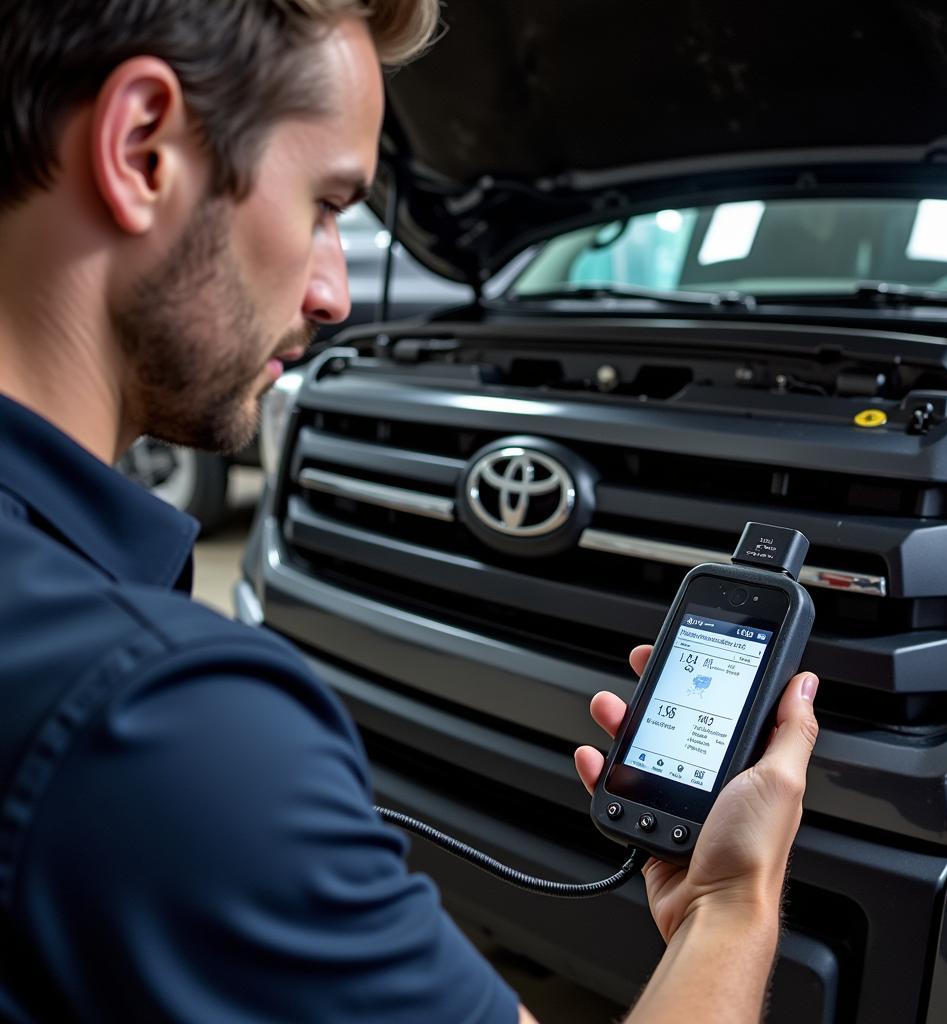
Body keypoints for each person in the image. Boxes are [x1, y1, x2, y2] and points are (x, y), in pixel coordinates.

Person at [0, 2, 820, 1021]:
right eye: (325, 204)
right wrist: (730, 906)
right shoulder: (162, 726)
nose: (336, 291)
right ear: (141, 150)